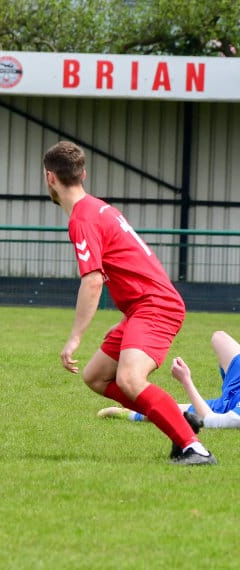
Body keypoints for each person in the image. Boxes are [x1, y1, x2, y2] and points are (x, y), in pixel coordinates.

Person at [42, 140, 216, 465]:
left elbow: (93, 281)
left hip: (155, 306)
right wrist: (127, 318)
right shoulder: (98, 208)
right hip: (142, 306)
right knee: (96, 376)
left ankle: (195, 449)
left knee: (130, 379)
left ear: (50, 177)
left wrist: (75, 338)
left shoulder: (83, 219)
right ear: (83, 174)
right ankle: (178, 421)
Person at [98, 330, 240, 428]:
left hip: (225, 407)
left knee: (167, 412)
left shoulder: (236, 418)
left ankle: (127, 414)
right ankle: (227, 388)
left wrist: (186, 380)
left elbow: (210, 421)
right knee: (219, 338)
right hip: (236, 386)